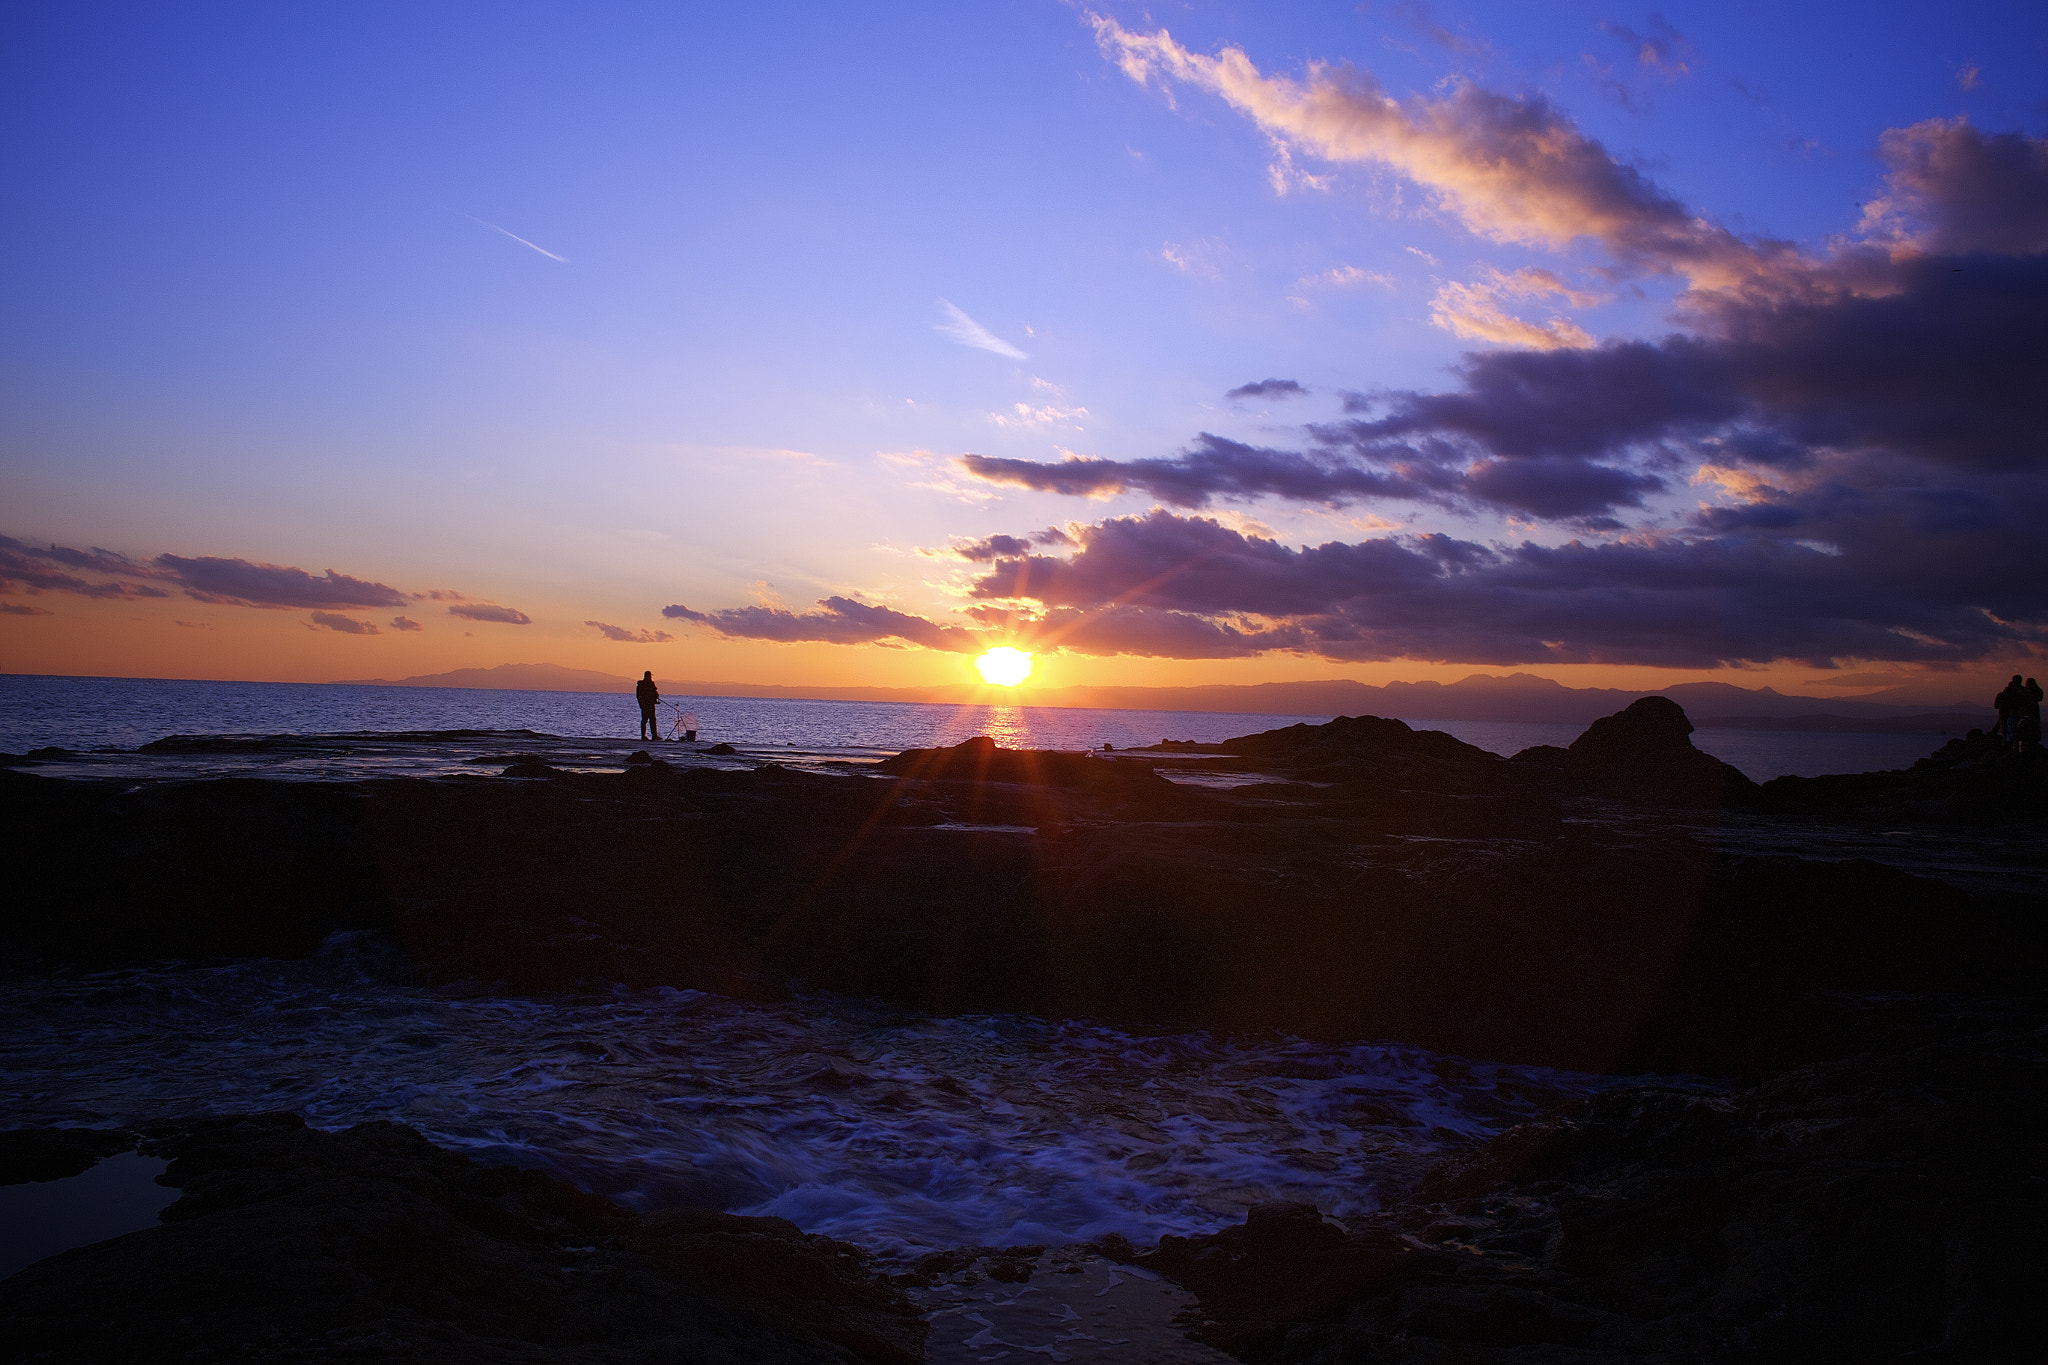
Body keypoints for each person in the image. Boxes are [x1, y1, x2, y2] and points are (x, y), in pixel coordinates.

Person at [1994, 674, 2027, 750]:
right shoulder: (2018, 694)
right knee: (2014, 735)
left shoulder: (2002, 695)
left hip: (2004, 717)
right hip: (2014, 717)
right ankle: (2014, 751)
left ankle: (2006, 750)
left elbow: (1996, 706)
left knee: (2005, 735)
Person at [635, 671, 661, 741]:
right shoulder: (648, 684)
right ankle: (652, 736)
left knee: (648, 720)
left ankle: (648, 736)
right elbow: (655, 694)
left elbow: (638, 696)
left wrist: (641, 704)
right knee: (649, 720)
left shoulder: (641, 684)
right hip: (647, 705)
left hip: (646, 705)